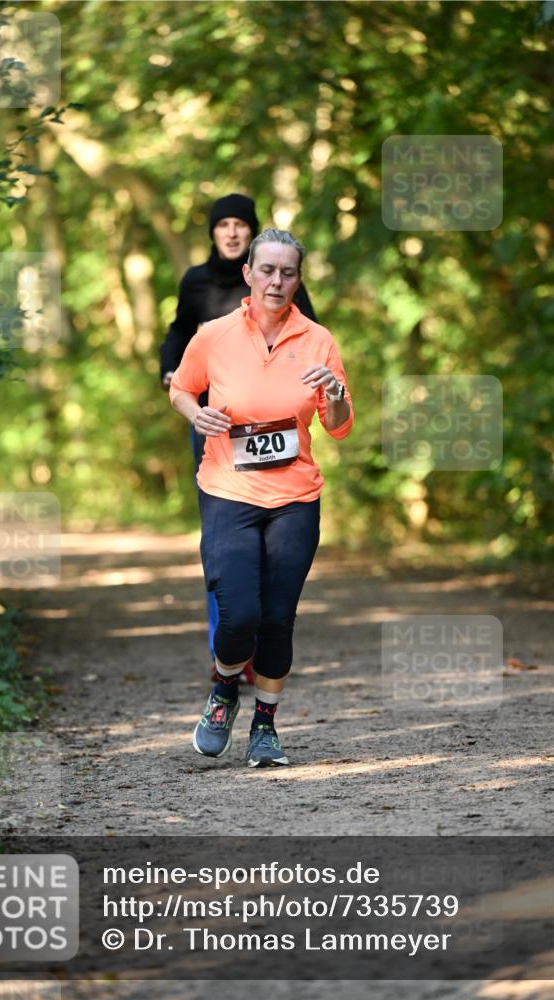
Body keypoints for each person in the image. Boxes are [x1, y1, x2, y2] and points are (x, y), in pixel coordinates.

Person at [169, 229, 353, 767]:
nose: (277, 280)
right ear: (248, 274)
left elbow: (338, 427)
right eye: (267, 270)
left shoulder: (318, 340)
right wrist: (194, 413)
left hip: (295, 496)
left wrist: (337, 396)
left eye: (288, 272)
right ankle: (225, 688)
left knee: (278, 618)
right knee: (239, 612)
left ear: (298, 279)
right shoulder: (214, 335)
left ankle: (266, 726)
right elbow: (182, 386)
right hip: (228, 489)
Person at [160, 195, 317, 681]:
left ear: (252, 236)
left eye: (239, 225)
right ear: (213, 233)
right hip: (217, 425)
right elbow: (178, 332)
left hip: (276, 434)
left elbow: (310, 330)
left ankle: (258, 643)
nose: (230, 232)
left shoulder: (281, 280)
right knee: (226, 544)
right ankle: (226, 644)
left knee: (271, 547)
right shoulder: (196, 282)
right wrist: (171, 373)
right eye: (222, 225)